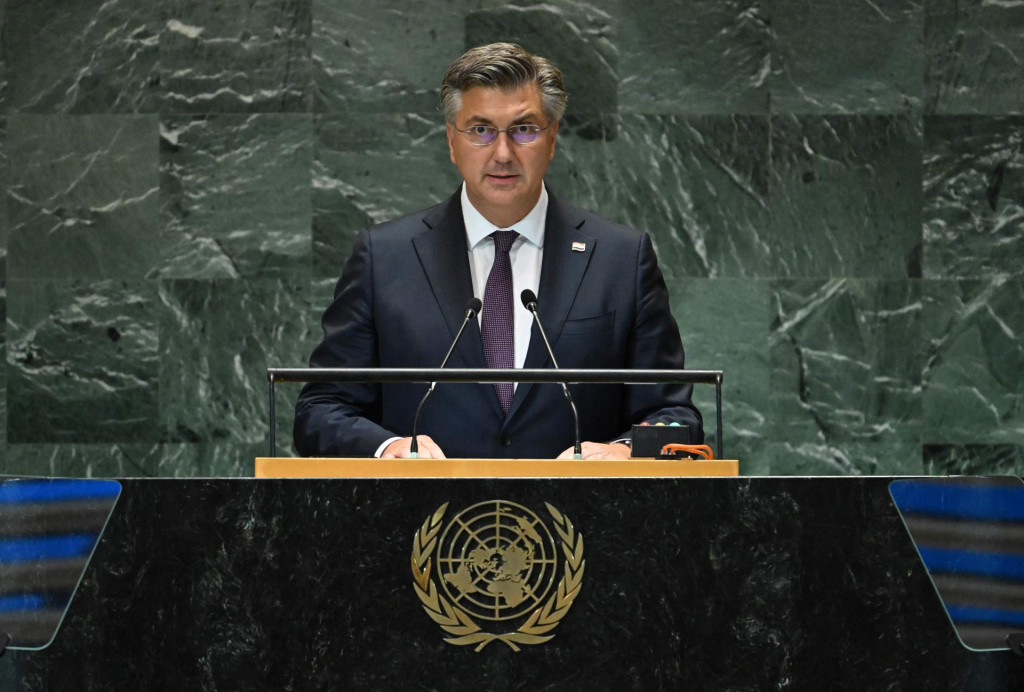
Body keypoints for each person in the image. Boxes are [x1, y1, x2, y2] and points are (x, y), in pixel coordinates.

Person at [294, 42, 702, 460]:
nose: (503, 153)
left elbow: (674, 418)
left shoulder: (621, 258)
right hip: (420, 518)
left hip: (582, 519)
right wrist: (388, 447)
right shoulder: (384, 257)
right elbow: (322, 410)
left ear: (553, 138)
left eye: (524, 129)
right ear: (452, 141)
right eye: (480, 130)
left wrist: (625, 451)